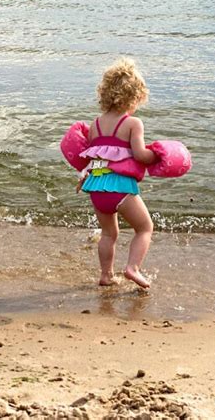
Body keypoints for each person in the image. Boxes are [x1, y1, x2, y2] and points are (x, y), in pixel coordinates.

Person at [78, 58, 156, 289]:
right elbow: (140, 155)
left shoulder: (95, 125)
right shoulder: (133, 123)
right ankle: (133, 268)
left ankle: (106, 275)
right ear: (135, 96)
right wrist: (157, 156)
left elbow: (95, 159)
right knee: (144, 228)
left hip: (96, 187)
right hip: (120, 187)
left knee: (109, 233)